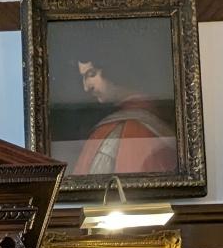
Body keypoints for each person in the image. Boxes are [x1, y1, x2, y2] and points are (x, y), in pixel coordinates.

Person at [71, 36, 177, 176]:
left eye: (91, 74)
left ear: (112, 66)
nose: (86, 87)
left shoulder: (114, 132)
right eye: (83, 77)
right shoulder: (158, 116)